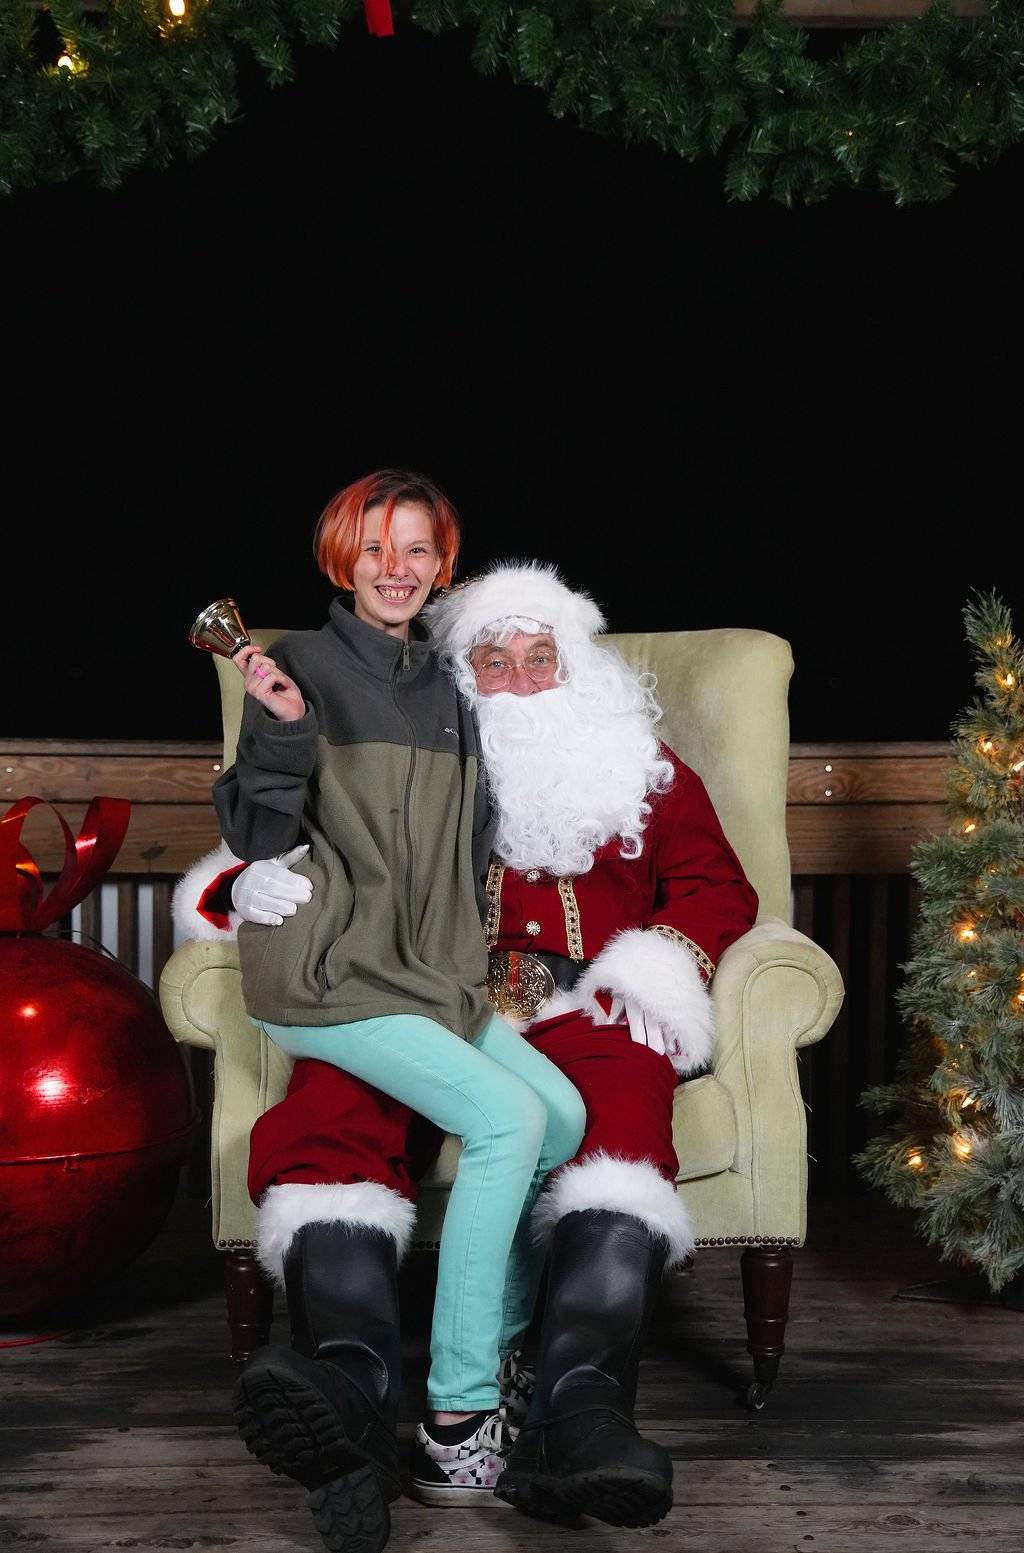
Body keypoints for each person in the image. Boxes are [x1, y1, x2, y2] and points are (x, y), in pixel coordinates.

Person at [176, 558, 758, 1534]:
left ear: (577, 668)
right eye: (495, 661)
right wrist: (238, 887)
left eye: (542, 657)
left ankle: (573, 1417)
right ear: (460, 678)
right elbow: (299, 832)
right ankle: (346, 1394)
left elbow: (714, 885)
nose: (523, 680)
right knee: (335, 1103)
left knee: (617, 1118)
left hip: (585, 1006)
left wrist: (655, 965)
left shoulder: (644, 769)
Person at [187, 477, 586, 1553]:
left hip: (428, 974)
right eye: (374, 547)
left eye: (416, 547)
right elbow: (261, 825)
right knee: (505, 1123)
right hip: (327, 971)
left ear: (440, 562)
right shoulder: (298, 667)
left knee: (557, 1112)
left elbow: (465, 849)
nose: (395, 565)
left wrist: (468, 963)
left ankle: (492, 1349)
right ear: (340, 558)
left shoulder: (447, 685)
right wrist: (275, 732)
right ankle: (453, 1421)